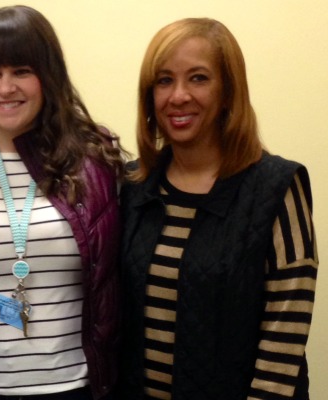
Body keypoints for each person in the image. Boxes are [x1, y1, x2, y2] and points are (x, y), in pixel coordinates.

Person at [0, 5, 127, 400]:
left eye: (21, 71)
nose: (5, 88)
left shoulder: (92, 161)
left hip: (72, 387)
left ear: (48, 76)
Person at [118, 18, 318, 399]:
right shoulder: (132, 187)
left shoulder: (276, 188)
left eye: (198, 78)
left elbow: (284, 338)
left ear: (228, 91)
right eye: (164, 80)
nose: (178, 96)